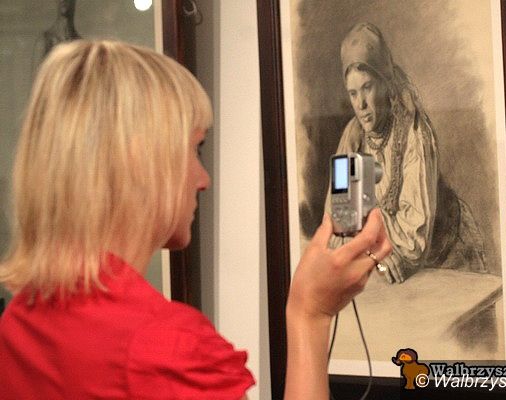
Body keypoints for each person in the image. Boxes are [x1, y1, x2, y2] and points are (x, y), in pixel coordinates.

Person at [0, 40, 391, 399]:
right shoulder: (169, 351)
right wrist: (310, 315)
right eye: (195, 149)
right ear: (141, 162)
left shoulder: (21, 321)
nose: (203, 179)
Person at [328, 22, 487, 284]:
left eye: (367, 87)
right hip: (395, 270)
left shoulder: (412, 131)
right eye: (353, 93)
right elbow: (341, 225)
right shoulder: (354, 137)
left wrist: (367, 241)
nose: (361, 104)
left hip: (449, 259)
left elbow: (414, 242)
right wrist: (370, 251)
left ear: (384, 84)